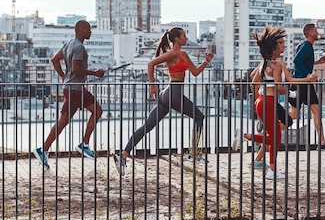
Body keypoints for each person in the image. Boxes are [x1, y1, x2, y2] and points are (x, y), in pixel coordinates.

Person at [112, 27, 213, 175]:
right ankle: (194, 153)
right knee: (199, 117)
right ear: (177, 39)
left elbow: (195, 72)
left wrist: (206, 61)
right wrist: (152, 86)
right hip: (173, 92)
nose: (186, 38)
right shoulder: (171, 54)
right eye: (184, 36)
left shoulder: (184, 54)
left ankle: (123, 155)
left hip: (168, 94)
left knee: (148, 125)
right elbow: (150, 64)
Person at [33, 20, 105, 169]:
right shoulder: (78, 47)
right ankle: (42, 149)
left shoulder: (70, 43)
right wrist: (95, 73)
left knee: (97, 110)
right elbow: (76, 68)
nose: (91, 32)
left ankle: (84, 144)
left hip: (76, 88)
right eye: (89, 29)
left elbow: (55, 60)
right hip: (74, 90)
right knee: (64, 121)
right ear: (82, 30)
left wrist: (63, 76)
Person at [248, 26, 317, 180]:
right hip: (269, 102)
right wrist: (298, 88)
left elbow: (254, 81)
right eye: (281, 43)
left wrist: (258, 98)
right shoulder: (277, 64)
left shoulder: (265, 63)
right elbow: (281, 86)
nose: (284, 46)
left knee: (275, 136)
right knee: (276, 138)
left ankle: (270, 168)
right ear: (275, 47)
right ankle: (270, 168)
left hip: (261, 102)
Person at [288, 23, 325, 150]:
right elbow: (297, 60)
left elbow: (304, 61)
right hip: (302, 83)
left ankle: (323, 142)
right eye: (316, 31)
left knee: (314, 111)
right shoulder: (307, 46)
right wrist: (308, 75)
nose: (318, 33)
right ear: (311, 33)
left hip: (302, 83)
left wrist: (317, 62)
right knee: (298, 114)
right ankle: (270, 118)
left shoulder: (302, 45)